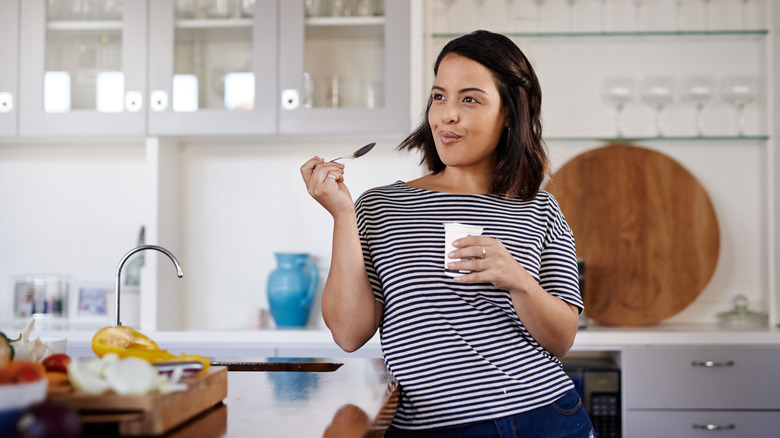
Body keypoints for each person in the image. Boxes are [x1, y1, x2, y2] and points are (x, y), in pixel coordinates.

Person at [300, 30, 594, 437]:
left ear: (509, 112)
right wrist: (342, 216)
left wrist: (518, 281)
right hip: (427, 427)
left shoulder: (539, 208)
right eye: (439, 96)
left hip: (541, 417)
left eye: (469, 99)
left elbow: (562, 340)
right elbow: (349, 334)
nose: (446, 115)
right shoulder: (381, 207)